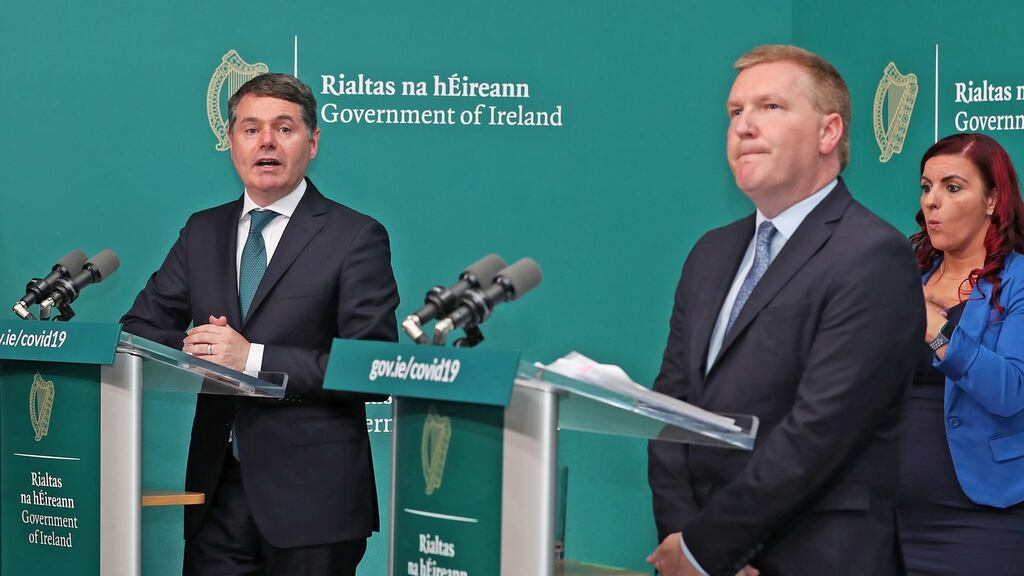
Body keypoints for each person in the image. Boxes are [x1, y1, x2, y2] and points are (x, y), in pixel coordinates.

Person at [646, 44, 924, 576]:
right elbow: (669, 410)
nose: (744, 126)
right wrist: (684, 542)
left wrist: (709, 550)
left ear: (829, 132)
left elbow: (818, 433)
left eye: (770, 107)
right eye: (735, 112)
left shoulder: (873, 255)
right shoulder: (709, 252)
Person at [121, 73, 399, 575]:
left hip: (316, 506)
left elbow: (373, 365)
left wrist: (251, 359)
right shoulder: (202, 231)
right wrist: (197, 348)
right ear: (231, 143)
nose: (266, 142)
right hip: (216, 496)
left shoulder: (355, 236)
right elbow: (138, 331)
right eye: (251, 129)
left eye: (284, 128)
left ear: (312, 143)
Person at [898, 133, 1024, 575]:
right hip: (887, 519)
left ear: (992, 200)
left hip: (982, 523)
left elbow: (1010, 390)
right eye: (926, 186)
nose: (933, 201)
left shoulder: (1018, 282)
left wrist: (935, 327)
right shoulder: (902, 277)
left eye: (952, 187)